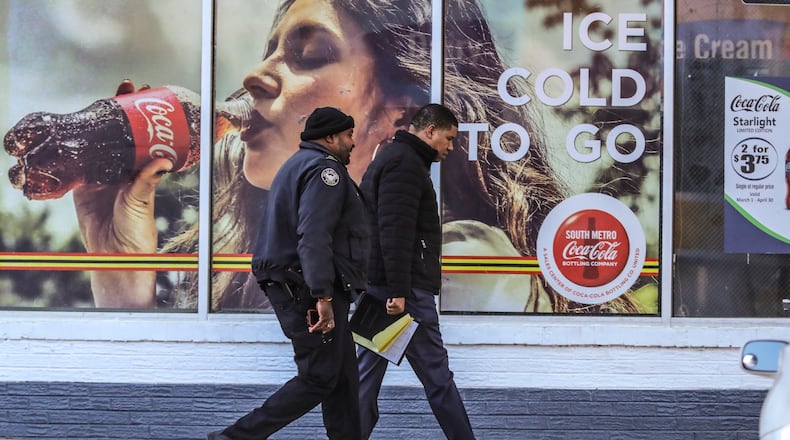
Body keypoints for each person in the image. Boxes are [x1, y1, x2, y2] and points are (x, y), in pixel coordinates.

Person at [72, 0, 643, 314]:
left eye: (310, 55)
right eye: (270, 51)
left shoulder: (465, 265)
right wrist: (121, 276)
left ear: (402, 114)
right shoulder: (286, 264)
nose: (252, 75)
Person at [207, 107, 369, 440]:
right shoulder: (326, 172)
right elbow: (313, 235)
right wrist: (322, 294)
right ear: (330, 138)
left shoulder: (297, 164)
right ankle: (234, 438)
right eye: (348, 135)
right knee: (320, 377)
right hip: (307, 288)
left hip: (302, 282)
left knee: (343, 379)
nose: (352, 142)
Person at [356, 103, 475, 440]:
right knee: (437, 377)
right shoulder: (405, 165)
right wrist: (398, 291)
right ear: (430, 131)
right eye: (449, 139)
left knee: (367, 375)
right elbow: (394, 230)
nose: (450, 148)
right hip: (403, 292)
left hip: (385, 285)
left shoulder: (396, 158)